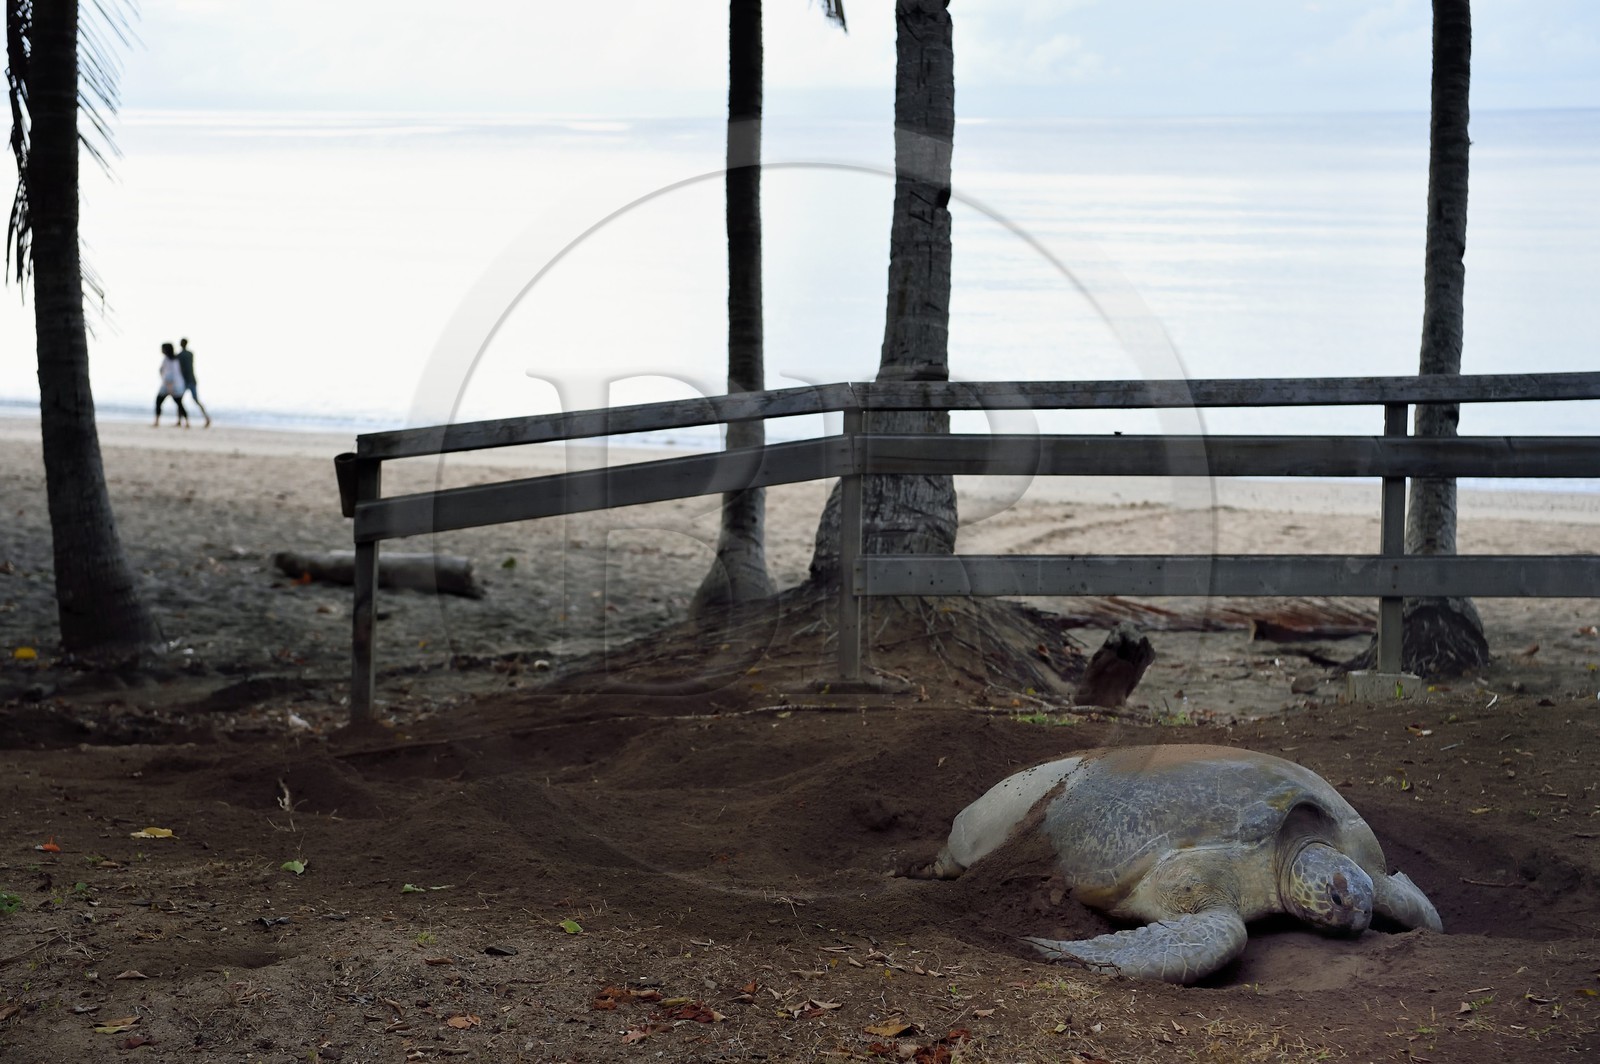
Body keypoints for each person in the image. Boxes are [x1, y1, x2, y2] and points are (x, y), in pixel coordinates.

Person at [177, 337, 210, 427]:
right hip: (191, 379)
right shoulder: (190, 354)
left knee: (180, 400)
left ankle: (180, 420)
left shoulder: (180, 355)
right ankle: (206, 417)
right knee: (188, 400)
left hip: (186, 380)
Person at [154, 342, 189, 427]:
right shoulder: (172, 359)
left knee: (162, 401)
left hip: (172, 386)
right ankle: (187, 422)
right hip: (172, 385)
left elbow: (171, 375)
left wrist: (170, 388)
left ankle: (157, 421)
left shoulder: (171, 360)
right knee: (179, 403)